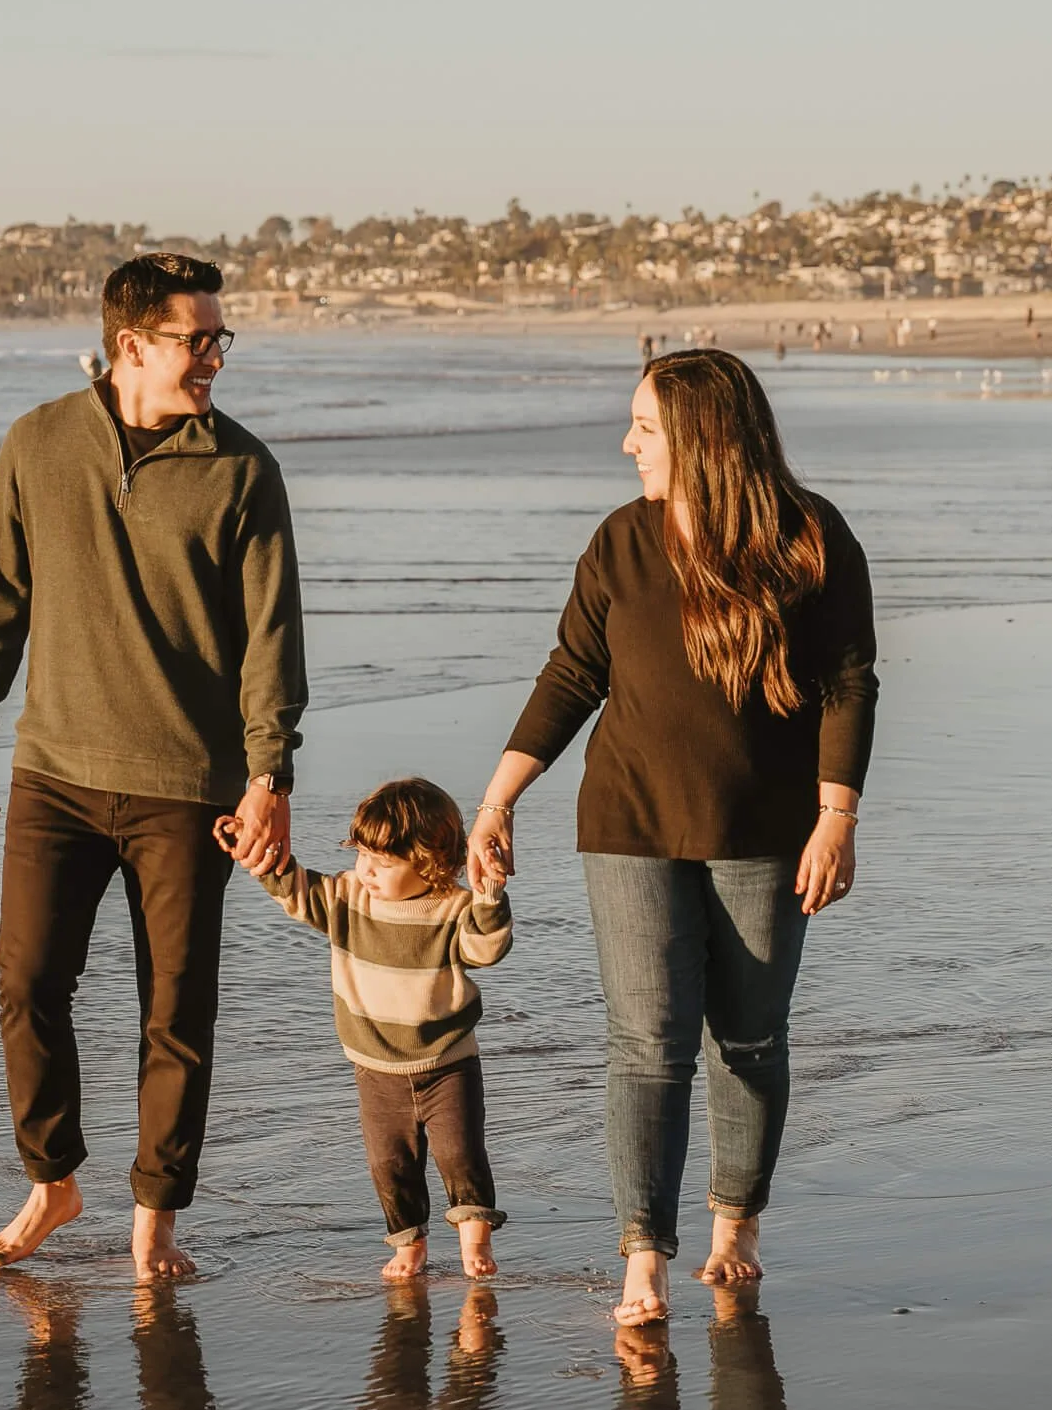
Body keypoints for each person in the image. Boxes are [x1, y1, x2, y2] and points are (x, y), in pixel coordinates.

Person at [467, 349, 877, 1326]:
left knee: (747, 1035)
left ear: (700, 437)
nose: (626, 444)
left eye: (643, 429)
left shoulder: (812, 537)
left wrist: (836, 819)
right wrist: (497, 798)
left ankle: (734, 1220)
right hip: (630, 818)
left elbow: (846, 683)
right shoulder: (621, 541)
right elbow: (574, 674)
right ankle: (643, 1253)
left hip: (770, 830)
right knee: (647, 1042)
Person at [0, 251, 307, 1281]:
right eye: (199, 341)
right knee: (25, 978)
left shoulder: (243, 468)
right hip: (53, 770)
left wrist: (268, 774)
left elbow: (271, 639)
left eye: (218, 340)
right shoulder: (39, 443)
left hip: (190, 784)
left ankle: (156, 1219)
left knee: (177, 1008)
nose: (215, 360)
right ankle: (52, 1176)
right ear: (130, 346)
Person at [232, 777, 515, 1280]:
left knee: (460, 1155)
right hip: (376, 1069)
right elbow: (295, 889)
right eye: (361, 855)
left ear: (429, 863)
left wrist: (490, 892)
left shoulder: (454, 908)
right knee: (390, 1164)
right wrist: (256, 851)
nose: (366, 871)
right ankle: (409, 1244)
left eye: (383, 864)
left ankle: (475, 1241)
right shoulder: (347, 899)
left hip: (448, 1063)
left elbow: (486, 950)